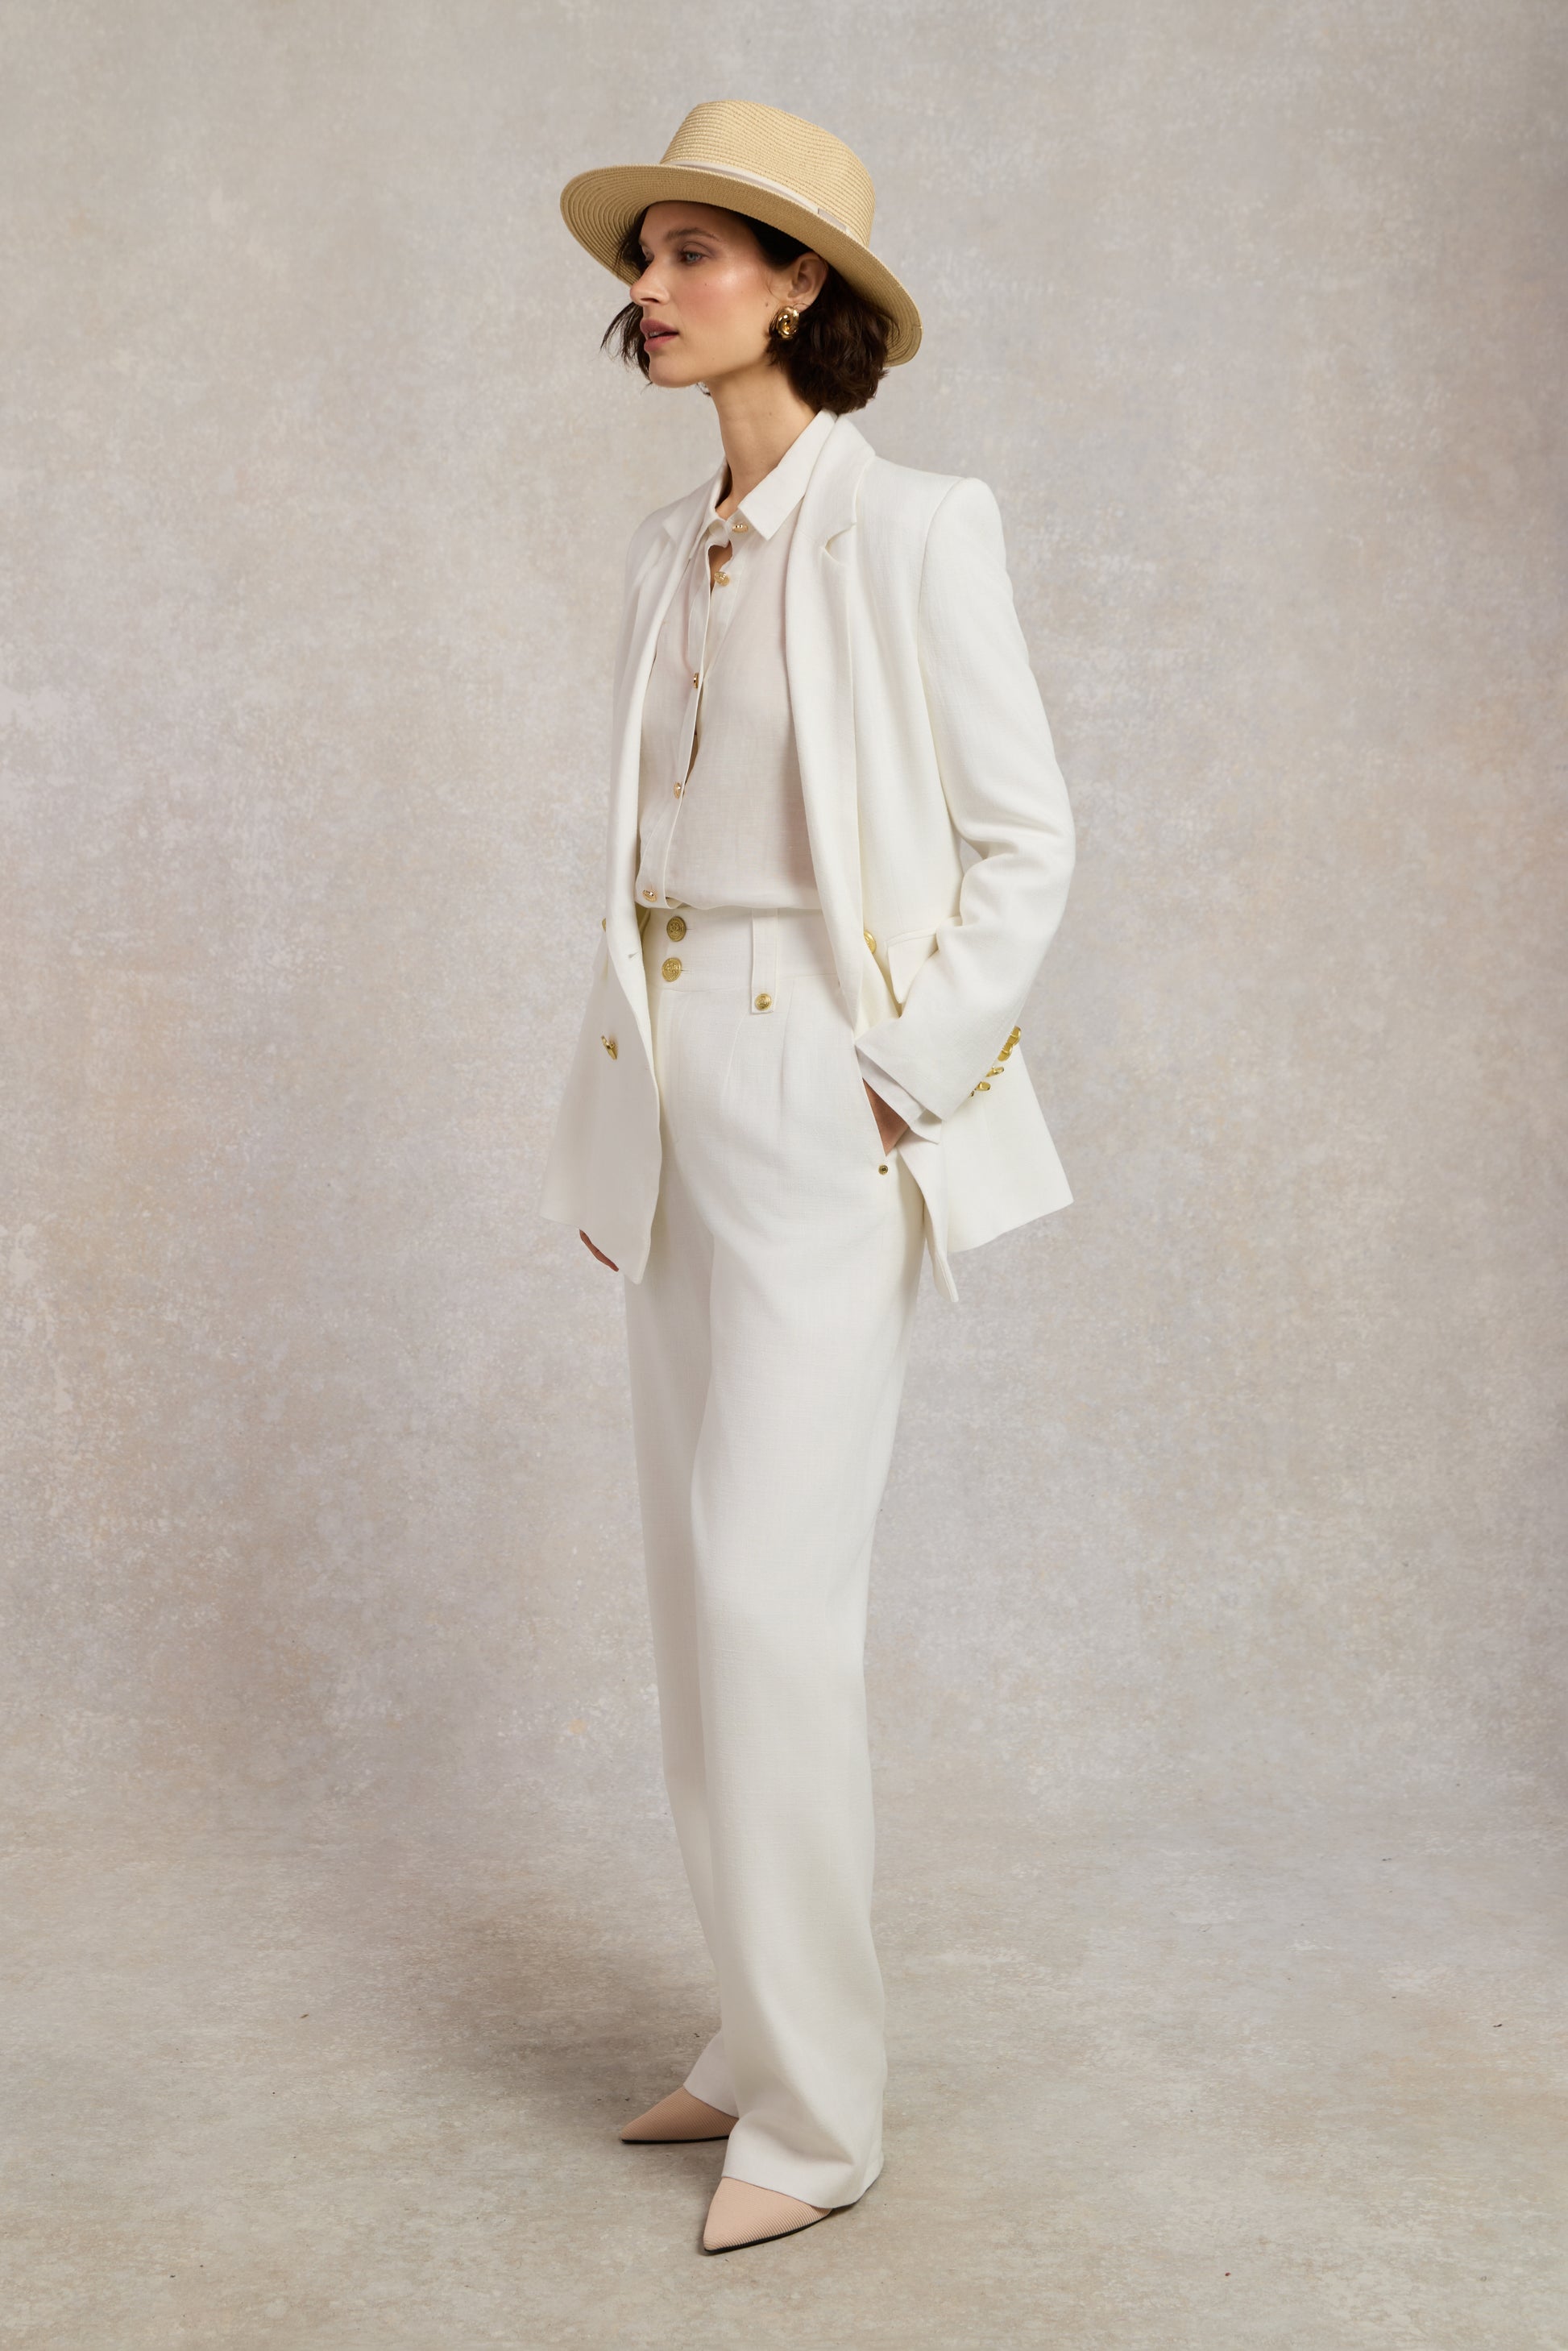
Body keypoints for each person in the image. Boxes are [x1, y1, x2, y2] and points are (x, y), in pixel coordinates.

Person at [541, 99, 1076, 2255]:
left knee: (771, 1597)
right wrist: (620, 1102)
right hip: (669, 1082)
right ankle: (758, 2032)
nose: (650, 289)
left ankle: (825, 2116)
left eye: (696, 254)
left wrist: (897, 1080)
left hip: (817, 1086)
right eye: (646, 253)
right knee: (695, 1597)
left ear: (798, 293)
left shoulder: (918, 527)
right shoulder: (663, 547)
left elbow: (1026, 840)